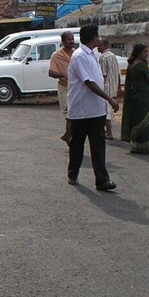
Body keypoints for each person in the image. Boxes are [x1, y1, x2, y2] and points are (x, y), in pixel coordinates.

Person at [66, 25, 121, 191]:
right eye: (97, 37)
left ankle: (102, 180)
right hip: (81, 110)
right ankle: (72, 174)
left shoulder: (93, 55)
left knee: (98, 146)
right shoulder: (79, 56)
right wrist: (109, 99)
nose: (99, 39)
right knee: (77, 145)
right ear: (93, 38)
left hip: (96, 110)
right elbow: (88, 82)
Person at [120, 43, 149, 154]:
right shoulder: (142, 66)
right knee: (148, 121)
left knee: (138, 121)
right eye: (145, 52)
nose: (146, 54)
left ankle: (137, 145)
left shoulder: (131, 65)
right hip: (145, 98)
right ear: (138, 53)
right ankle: (148, 145)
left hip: (135, 97)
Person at [48, 31, 76, 143]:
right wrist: (62, 74)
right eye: (68, 39)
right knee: (68, 113)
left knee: (74, 113)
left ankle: (68, 135)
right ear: (63, 41)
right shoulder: (57, 55)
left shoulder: (76, 54)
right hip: (64, 87)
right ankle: (69, 137)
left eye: (72, 38)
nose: (71, 41)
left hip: (75, 88)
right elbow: (51, 72)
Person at [98, 39, 120, 140]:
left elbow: (102, 75)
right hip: (113, 86)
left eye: (100, 45)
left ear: (105, 45)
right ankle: (107, 130)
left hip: (106, 87)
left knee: (106, 111)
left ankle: (109, 132)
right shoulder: (113, 56)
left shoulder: (103, 57)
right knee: (108, 110)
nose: (98, 47)